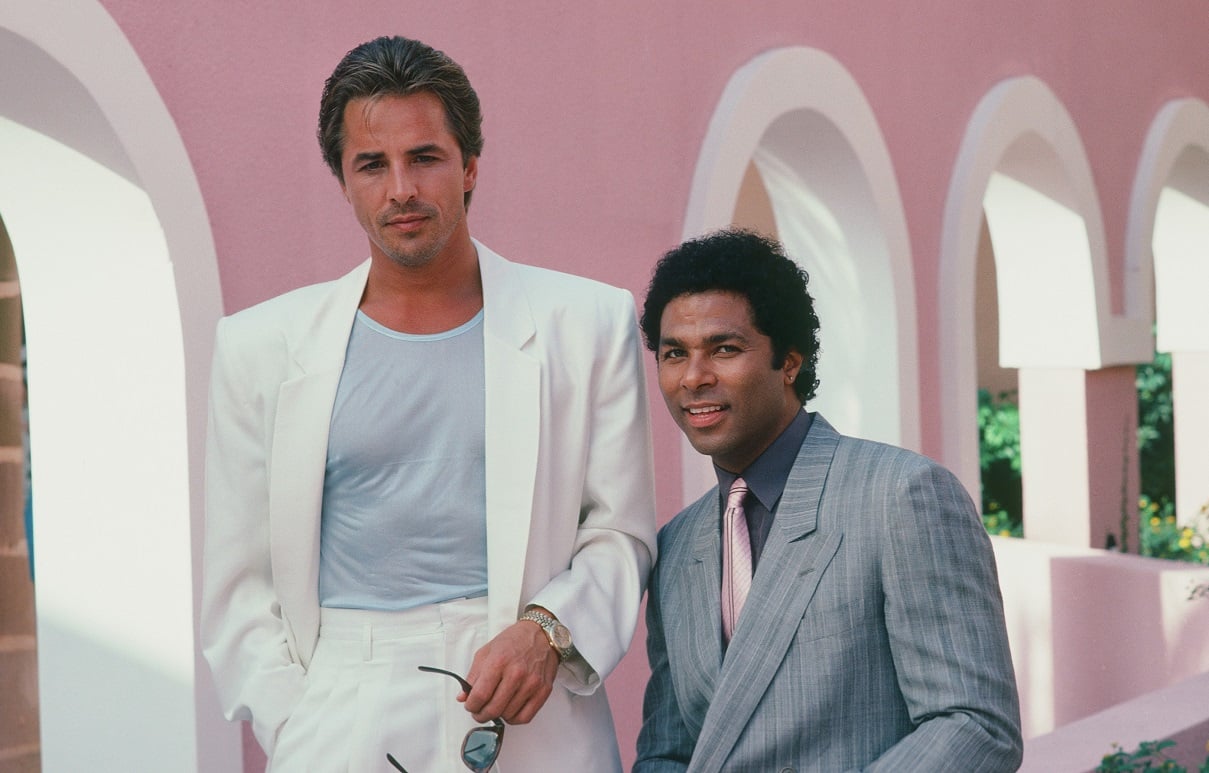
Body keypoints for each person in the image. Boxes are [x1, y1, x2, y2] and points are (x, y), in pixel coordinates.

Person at [200, 35, 657, 772]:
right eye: (371, 165)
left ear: (469, 166)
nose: (401, 189)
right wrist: (299, 723)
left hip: (531, 705)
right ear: (343, 181)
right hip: (342, 706)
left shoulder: (586, 323)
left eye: (424, 157)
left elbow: (620, 532)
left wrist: (547, 630)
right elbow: (239, 584)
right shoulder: (260, 347)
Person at [634, 229, 1022, 772]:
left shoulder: (902, 495)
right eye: (675, 353)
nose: (694, 377)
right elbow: (669, 752)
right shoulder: (675, 546)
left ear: (789, 362)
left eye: (724, 349)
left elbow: (976, 725)